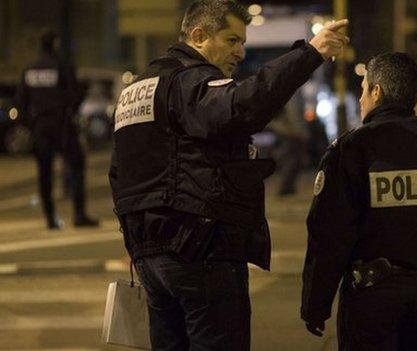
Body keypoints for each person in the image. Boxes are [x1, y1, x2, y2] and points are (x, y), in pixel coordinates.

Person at [108, 1, 348, 350]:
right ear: (199, 36)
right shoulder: (190, 81)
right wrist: (310, 54)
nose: (239, 51)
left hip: (150, 255)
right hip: (198, 247)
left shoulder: (136, 91)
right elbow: (242, 105)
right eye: (232, 40)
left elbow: (118, 173)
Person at [301, 53, 417, 351]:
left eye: (363, 89)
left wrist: (316, 305)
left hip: (371, 300)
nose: (361, 98)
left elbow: (329, 235)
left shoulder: (351, 150)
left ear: (376, 91)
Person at [14, 29, 99, 229]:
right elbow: (76, 93)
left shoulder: (30, 70)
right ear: (55, 44)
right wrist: (70, 112)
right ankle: (78, 215)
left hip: (41, 127)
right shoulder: (62, 66)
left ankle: (50, 219)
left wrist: (31, 124)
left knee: (45, 173)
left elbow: (20, 101)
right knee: (76, 165)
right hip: (62, 125)